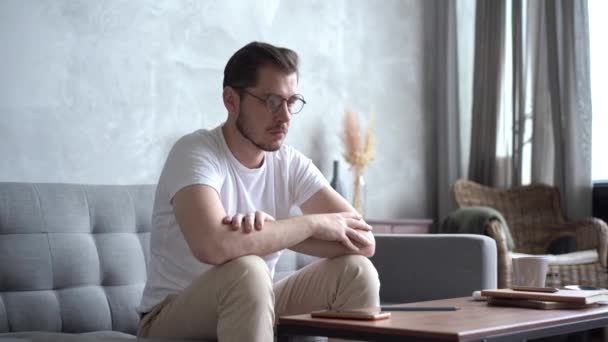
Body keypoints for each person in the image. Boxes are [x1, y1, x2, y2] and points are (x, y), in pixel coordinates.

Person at [137, 41, 380, 341]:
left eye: (291, 102)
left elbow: (363, 242)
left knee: (357, 271)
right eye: (272, 101)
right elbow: (212, 246)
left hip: (253, 297)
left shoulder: (289, 163)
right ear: (231, 100)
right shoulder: (195, 152)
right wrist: (310, 223)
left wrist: (267, 233)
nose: (285, 116)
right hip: (170, 316)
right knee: (249, 271)